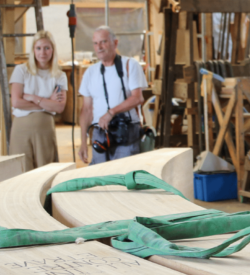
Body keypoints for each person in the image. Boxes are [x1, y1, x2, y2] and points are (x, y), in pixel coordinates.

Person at [78, 26, 147, 165]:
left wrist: (111, 113)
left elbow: (138, 98)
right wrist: (83, 142)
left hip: (126, 129)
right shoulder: (90, 73)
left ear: (115, 43)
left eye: (103, 42)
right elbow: (86, 110)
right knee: (100, 177)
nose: (99, 47)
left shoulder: (130, 65)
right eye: (96, 43)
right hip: (100, 132)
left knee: (123, 174)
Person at [9, 30, 67, 171]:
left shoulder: (59, 76)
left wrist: (35, 98)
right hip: (21, 128)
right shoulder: (21, 70)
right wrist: (48, 103)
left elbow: (59, 108)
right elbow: (16, 102)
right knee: (21, 169)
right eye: (39, 48)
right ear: (33, 50)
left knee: (45, 169)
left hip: (45, 128)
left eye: (47, 48)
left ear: (53, 50)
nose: (43, 52)